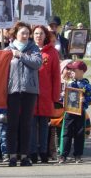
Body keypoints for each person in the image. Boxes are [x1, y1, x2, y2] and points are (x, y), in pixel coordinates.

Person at [5, 21, 42, 167]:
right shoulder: (8, 49)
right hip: (12, 90)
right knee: (12, 124)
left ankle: (25, 155)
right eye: (23, 33)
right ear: (16, 34)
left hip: (29, 90)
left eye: (27, 33)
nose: (26, 35)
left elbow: (37, 63)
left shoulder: (33, 48)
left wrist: (20, 55)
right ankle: (12, 155)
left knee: (26, 124)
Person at [29, 25, 61, 164]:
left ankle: (43, 152)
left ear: (45, 35)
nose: (38, 36)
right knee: (31, 124)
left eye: (41, 33)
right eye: (36, 33)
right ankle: (32, 152)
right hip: (30, 93)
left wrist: (55, 96)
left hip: (45, 94)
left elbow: (56, 75)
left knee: (44, 125)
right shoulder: (28, 49)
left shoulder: (52, 52)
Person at [58, 61, 91, 164]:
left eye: (74, 70)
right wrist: (62, 96)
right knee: (66, 134)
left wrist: (85, 100)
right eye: (71, 70)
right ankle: (63, 155)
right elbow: (61, 98)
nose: (72, 72)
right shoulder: (68, 83)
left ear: (82, 71)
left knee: (79, 134)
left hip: (80, 112)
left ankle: (78, 155)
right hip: (69, 112)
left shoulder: (86, 85)